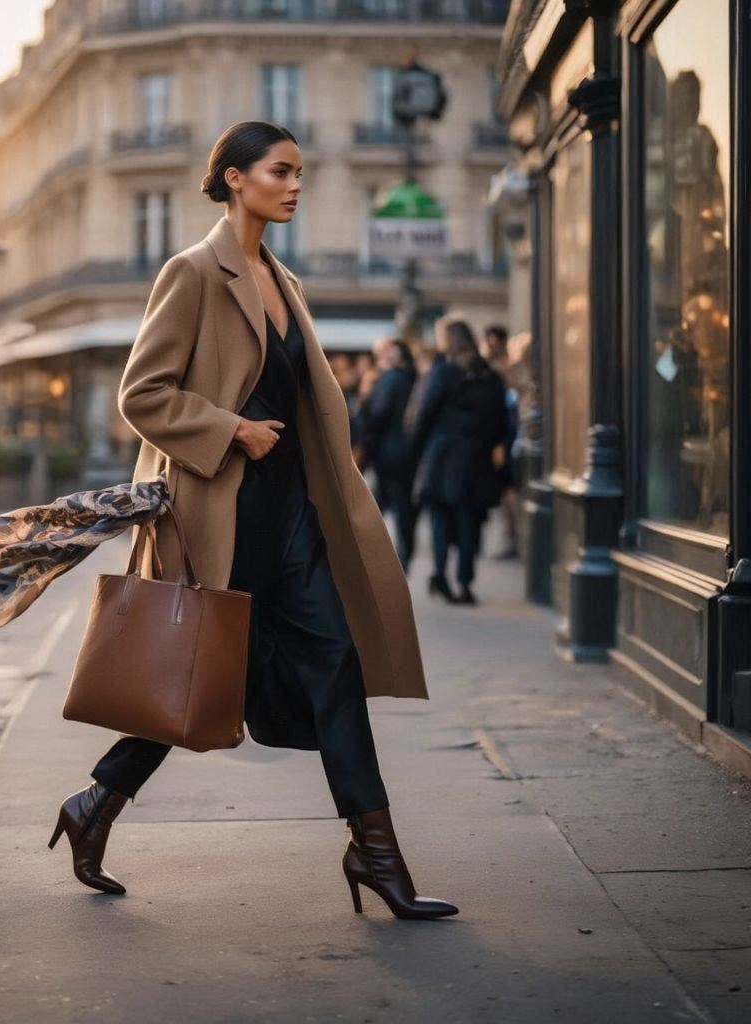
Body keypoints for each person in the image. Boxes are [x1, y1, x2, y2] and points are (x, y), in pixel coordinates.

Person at [49, 121, 457, 920]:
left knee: (336, 664)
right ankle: (95, 802)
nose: (297, 184)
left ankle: (375, 854)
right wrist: (230, 429)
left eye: (300, 171)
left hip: (294, 517)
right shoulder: (193, 272)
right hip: (220, 514)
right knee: (196, 676)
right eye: (282, 170)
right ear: (235, 178)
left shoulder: (285, 279)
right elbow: (142, 393)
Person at [408, 319, 508, 605]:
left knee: (440, 519)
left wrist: (417, 448)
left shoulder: (443, 372)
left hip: (442, 455)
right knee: (468, 521)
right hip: (477, 457)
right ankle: (465, 582)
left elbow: (424, 413)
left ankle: (441, 575)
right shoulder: (491, 377)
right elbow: (501, 421)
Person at [358, 340, 419, 571]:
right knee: (401, 506)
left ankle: (370, 553)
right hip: (407, 453)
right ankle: (402, 555)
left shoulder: (388, 379)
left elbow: (377, 415)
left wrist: (366, 448)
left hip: (387, 453)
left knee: (378, 505)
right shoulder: (415, 379)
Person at [483, 324, 519, 559]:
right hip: (505, 432)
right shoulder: (496, 368)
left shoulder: (504, 369)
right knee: (504, 491)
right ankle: (509, 536)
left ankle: (511, 537)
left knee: (507, 490)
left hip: (508, 433)